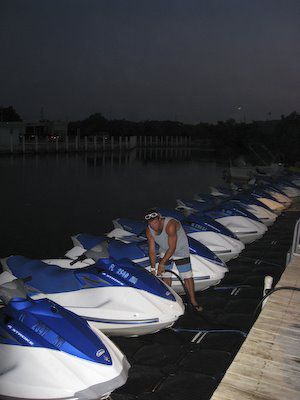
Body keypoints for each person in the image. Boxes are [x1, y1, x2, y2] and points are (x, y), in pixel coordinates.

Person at [145, 209, 203, 312]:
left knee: (187, 276)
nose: (154, 226)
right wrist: (153, 268)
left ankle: (193, 302)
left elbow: (172, 248)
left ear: (160, 218)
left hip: (180, 249)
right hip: (164, 249)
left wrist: (161, 263)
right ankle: (170, 302)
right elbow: (152, 250)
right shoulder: (149, 230)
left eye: (155, 222)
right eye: (151, 223)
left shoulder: (170, 225)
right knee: (165, 277)